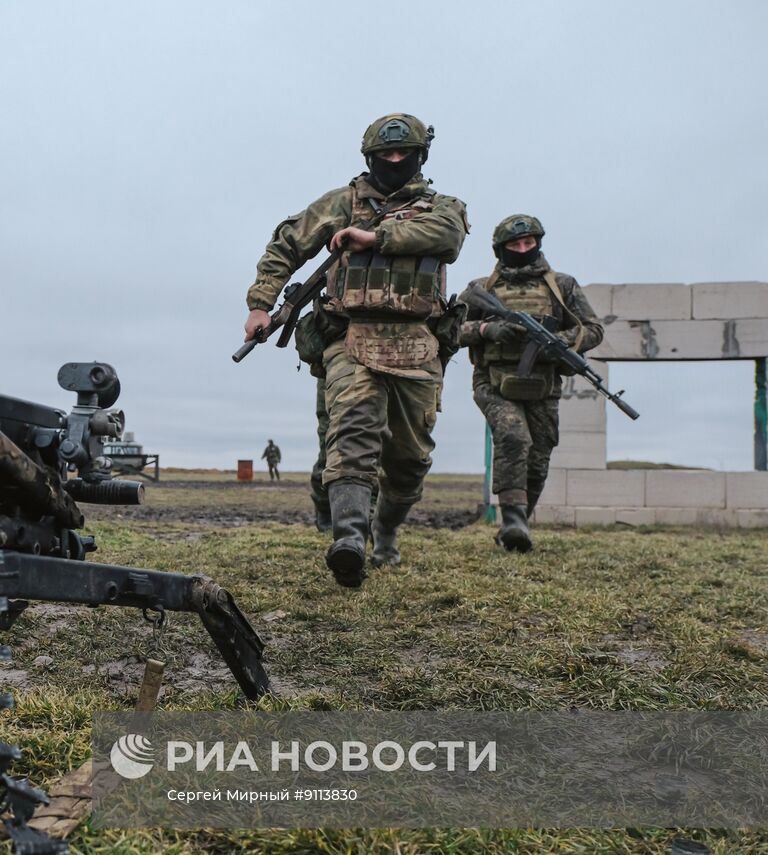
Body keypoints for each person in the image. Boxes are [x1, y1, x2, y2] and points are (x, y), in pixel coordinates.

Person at [243, 113, 468, 587]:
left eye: (402, 153)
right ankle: (349, 538)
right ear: (369, 157)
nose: (393, 161)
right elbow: (287, 243)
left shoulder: (442, 206)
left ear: (420, 156)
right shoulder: (341, 203)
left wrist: (375, 237)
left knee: (409, 459)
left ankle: (385, 529)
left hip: (417, 343)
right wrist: (261, 304)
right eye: (384, 155)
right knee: (350, 435)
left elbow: (446, 238)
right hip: (350, 337)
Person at [457, 214, 604, 551]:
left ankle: (518, 526)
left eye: (529, 243)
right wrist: (486, 330)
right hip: (493, 381)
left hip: (543, 382)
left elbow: (592, 328)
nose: (523, 249)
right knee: (512, 436)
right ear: (501, 249)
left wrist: (558, 342)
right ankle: (512, 519)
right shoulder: (482, 289)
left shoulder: (562, 285)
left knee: (539, 453)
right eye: (514, 244)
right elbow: (449, 330)